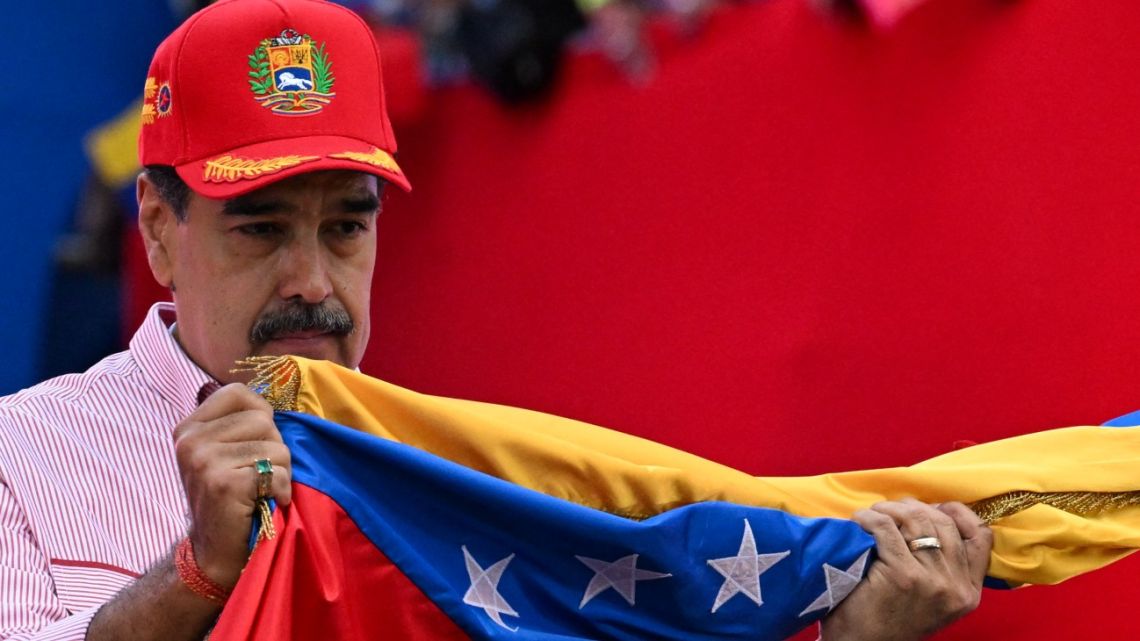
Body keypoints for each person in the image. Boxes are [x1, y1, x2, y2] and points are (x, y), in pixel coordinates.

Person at [0, 0, 991, 639]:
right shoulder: (22, 454)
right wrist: (196, 574)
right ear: (158, 229)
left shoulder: (463, 474)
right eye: (260, 229)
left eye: (347, 227)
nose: (311, 279)